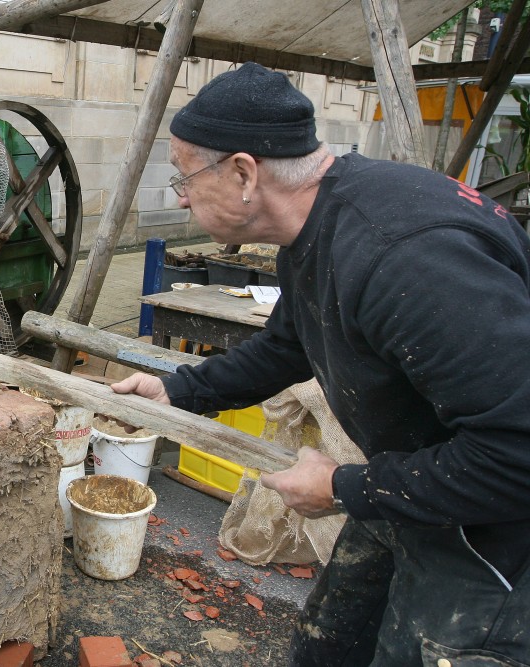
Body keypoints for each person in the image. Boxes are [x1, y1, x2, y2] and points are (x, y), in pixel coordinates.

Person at [112, 62, 530, 666]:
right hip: (409, 477)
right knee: (329, 645)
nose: (181, 195)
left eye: (185, 176)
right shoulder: (318, 226)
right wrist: (178, 392)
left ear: (243, 173)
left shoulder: (407, 259)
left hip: (492, 527)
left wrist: (343, 487)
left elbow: (516, 453)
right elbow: (289, 344)